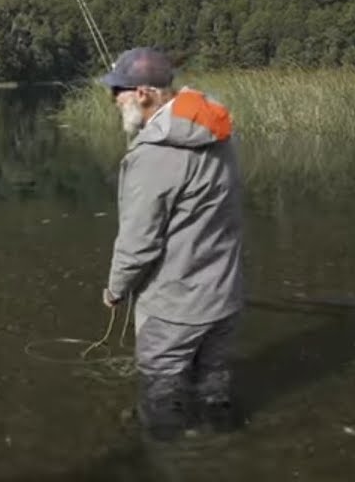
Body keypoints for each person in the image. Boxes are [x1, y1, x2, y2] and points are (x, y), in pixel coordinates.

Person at [98, 47, 246, 441]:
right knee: (214, 389)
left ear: (143, 94)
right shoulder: (217, 132)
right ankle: (227, 446)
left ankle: (173, 459)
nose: (114, 100)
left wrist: (115, 289)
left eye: (118, 92)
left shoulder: (152, 155)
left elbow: (138, 245)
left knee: (161, 400)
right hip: (225, 298)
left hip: (173, 309)